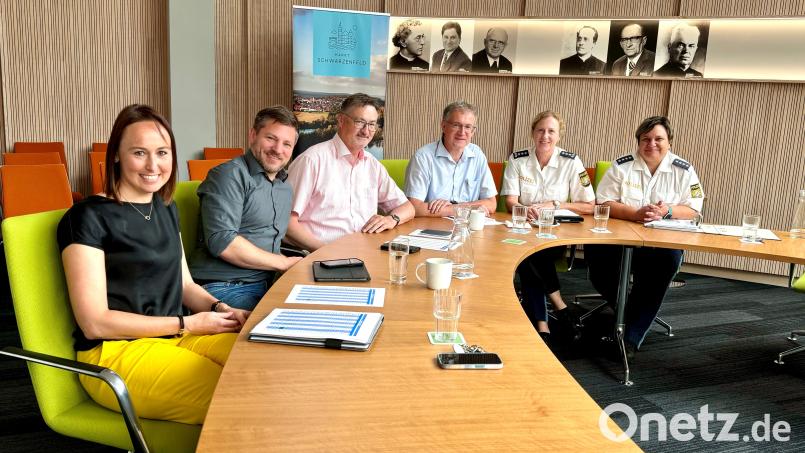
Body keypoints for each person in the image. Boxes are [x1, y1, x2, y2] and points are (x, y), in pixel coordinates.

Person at [57, 104, 249, 425]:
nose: (153, 165)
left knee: (266, 366)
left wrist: (221, 309)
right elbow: (95, 323)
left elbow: (185, 285)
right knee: (238, 399)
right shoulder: (87, 217)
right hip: (115, 354)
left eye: (162, 152)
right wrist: (186, 324)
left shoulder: (164, 207)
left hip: (176, 336)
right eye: (139, 153)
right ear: (116, 155)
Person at [586, 116, 704, 357]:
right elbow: (604, 202)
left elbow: (694, 209)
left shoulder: (684, 170)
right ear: (638, 142)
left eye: (658, 139)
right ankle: (631, 314)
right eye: (645, 139)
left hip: (662, 243)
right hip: (619, 240)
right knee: (595, 256)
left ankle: (630, 338)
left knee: (664, 266)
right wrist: (635, 214)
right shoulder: (621, 166)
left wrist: (666, 211)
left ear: (669, 142)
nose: (652, 144)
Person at [189, 106, 302, 311]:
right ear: (253, 135)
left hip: (268, 283)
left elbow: (278, 233)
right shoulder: (228, 175)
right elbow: (223, 242)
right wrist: (282, 263)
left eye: (287, 144)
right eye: (271, 138)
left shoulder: (284, 187)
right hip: (223, 288)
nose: (278, 149)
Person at [500, 111, 595, 343]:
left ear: (559, 136)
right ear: (533, 132)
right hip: (524, 229)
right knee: (527, 252)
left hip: (556, 234)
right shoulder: (518, 159)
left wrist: (555, 204)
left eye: (551, 131)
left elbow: (590, 205)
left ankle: (544, 321)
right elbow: (510, 201)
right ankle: (556, 309)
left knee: (531, 255)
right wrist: (525, 209)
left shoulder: (571, 162)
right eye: (540, 130)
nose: (545, 135)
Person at [285, 93, 415, 251]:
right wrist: (326, 251)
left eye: (372, 124)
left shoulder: (373, 165)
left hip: (365, 252)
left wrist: (392, 219)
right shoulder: (312, 160)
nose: (366, 131)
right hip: (318, 255)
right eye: (360, 122)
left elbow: (408, 208)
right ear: (341, 120)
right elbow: (286, 223)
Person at [404, 101, 497, 217]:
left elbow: (491, 203)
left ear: (473, 131)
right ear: (443, 126)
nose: (462, 132)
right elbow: (414, 207)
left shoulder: (477, 155)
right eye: (456, 125)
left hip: (468, 226)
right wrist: (464, 209)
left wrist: (455, 208)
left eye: (468, 127)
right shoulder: (423, 157)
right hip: (432, 226)